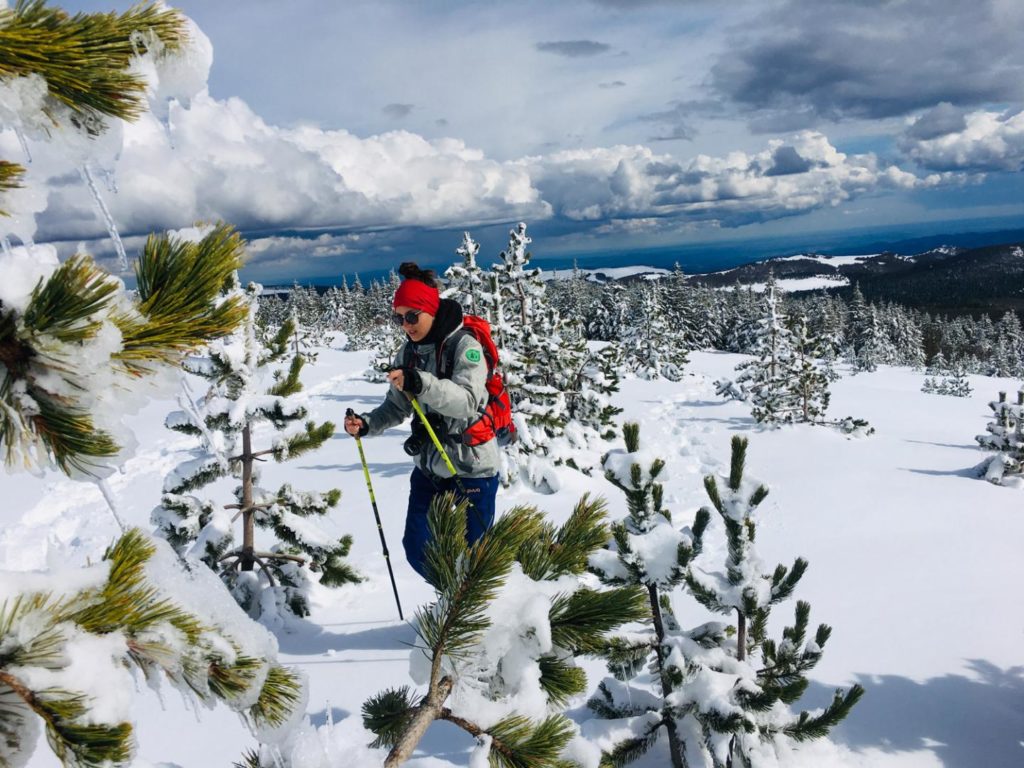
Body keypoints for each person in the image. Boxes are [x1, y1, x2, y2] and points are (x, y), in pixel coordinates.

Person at [344, 262, 499, 578]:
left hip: (472, 470)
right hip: (429, 468)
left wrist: (421, 382)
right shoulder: (409, 352)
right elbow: (397, 406)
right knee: (418, 549)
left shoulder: (465, 346)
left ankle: (484, 617)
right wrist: (368, 423)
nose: (405, 325)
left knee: (475, 563)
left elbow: (468, 403)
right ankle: (453, 607)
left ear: (431, 310)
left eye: (412, 316)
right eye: (399, 318)